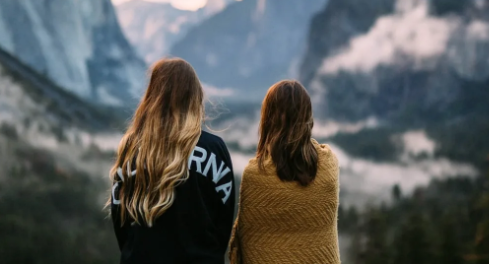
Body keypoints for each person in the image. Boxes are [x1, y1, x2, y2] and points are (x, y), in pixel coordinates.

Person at [109, 58, 235, 264]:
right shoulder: (214, 148)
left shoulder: (131, 148)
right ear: (195, 97)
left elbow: (119, 218)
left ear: (152, 97)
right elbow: (223, 220)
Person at [229, 80, 341, 264]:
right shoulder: (329, 165)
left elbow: (247, 241)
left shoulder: (255, 174)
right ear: (308, 118)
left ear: (268, 118)